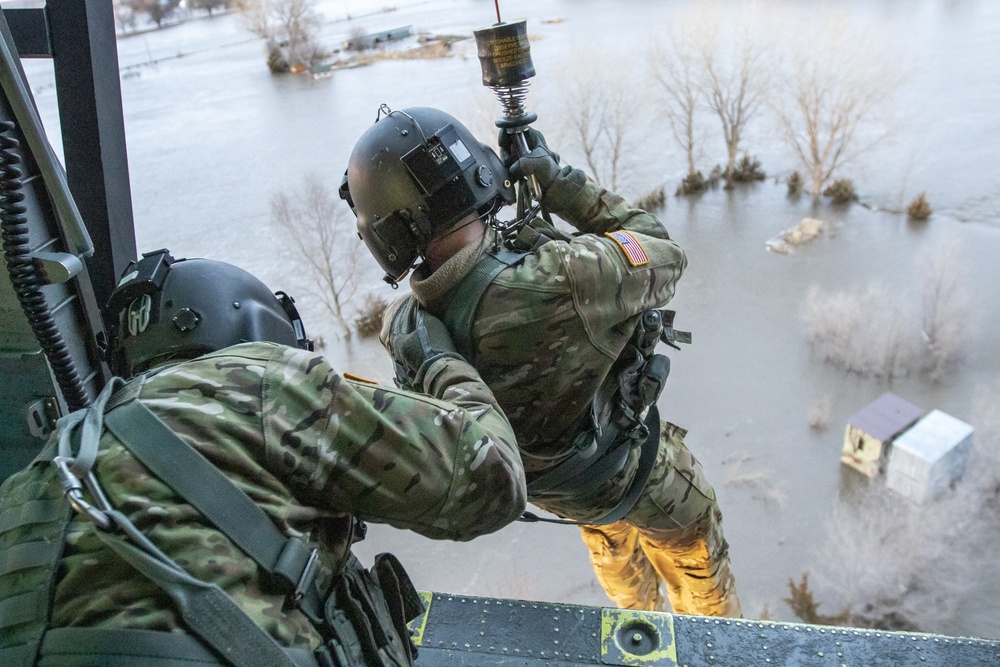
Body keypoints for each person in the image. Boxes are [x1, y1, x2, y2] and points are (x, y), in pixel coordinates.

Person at [0, 249, 525, 667]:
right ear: (259, 335)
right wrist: (439, 360)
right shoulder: (263, 382)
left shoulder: (33, 476)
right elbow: (491, 478)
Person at [339, 106, 741, 617]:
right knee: (697, 542)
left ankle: (636, 625)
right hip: (636, 470)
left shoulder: (406, 330)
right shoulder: (563, 278)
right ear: (478, 176)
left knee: (609, 539)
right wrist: (560, 185)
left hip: (559, 491)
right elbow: (666, 252)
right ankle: (715, 640)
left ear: (388, 235)